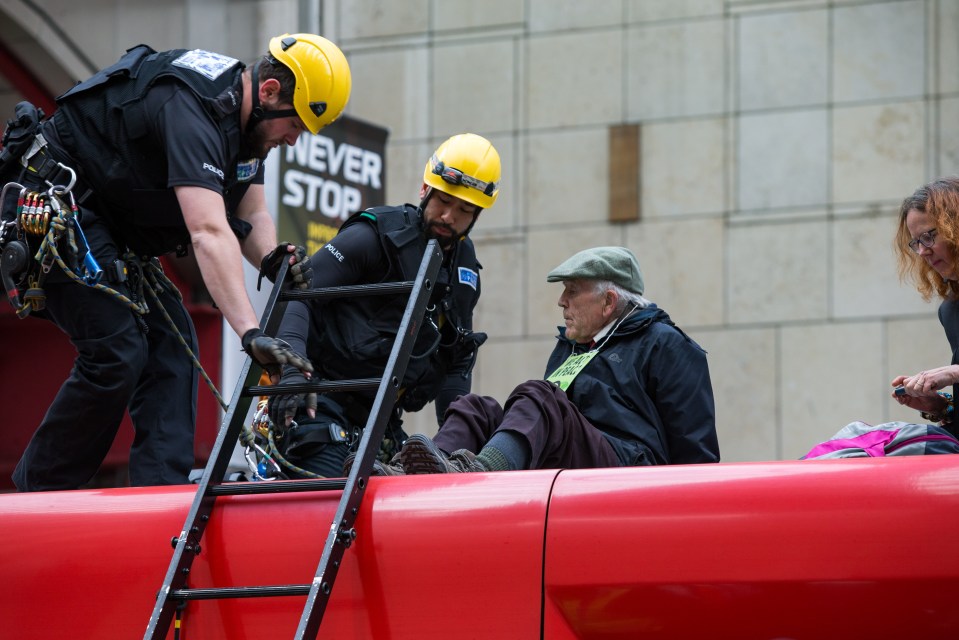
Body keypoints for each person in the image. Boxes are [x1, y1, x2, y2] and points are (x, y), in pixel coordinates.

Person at [2, 33, 351, 491]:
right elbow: (208, 231)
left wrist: (270, 257)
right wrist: (251, 334)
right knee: (116, 350)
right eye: (296, 125)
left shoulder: (248, 130)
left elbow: (251, 212)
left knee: (175, 350)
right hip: (57, 202)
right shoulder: (192, 106)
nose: (294, 139)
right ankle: (37, 501)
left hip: (111, 229)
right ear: (268, 92)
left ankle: (159, 501)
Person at [357, 245, 720, 476]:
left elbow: (698, 460)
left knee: (539, 396)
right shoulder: (570, 347)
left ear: (609, 302)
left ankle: (480, 475)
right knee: (476, 406)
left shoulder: (667, 345)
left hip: (627, 476)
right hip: (568, 460)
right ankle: (409, 477)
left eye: (572, 291)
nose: (561, 302)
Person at [266, 133, 501, 478]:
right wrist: (290, 369)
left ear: (478, 214)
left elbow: (456, 357)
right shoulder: (374, 236)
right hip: (319, 406)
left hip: (381, 424)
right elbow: (299, 294)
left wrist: (455, 441)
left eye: (465, 210)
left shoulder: (464, 270)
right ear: (425, 189)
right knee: (335, 501)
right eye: (443, 201)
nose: (449, 216)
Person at [891, 177, 959, 438]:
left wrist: (954, 372)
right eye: (916, 241)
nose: (922, 251)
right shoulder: (950, 310)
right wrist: (938, 406)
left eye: (929, 237)